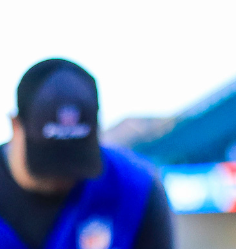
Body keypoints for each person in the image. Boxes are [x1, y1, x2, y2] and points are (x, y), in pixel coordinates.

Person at [1, 59, 172, 249]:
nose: (62, 173)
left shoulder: (134, 188)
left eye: (76, 158)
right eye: (49, 157)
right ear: (15, 125)